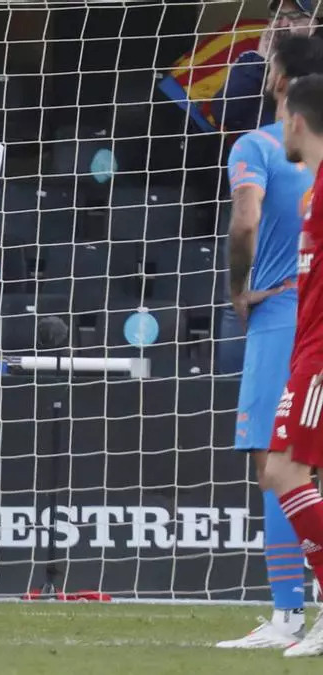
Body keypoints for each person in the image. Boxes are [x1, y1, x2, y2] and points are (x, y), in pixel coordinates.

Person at [216, 34, 323, 650]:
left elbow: (246, 216)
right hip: (305, 310)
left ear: (281, 82)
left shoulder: (258, 144)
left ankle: (289, 613)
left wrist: (238, 287)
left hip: (286, 313)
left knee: (275, 463)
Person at [261, 71, 323, 657]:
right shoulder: (316, 183)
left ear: (298, 121)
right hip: (309, 348)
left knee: (283, 472)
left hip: (321, 355)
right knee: (282, 472)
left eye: (282, 116)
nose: (280, 125)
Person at [213, 0, 316, 133]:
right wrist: (262, 61)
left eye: (295, 17)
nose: (283, 24)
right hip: (257, 150)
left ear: (312, 25)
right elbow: (222, 114)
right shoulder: (250, 60)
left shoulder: (317, 64)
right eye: (278, 16)